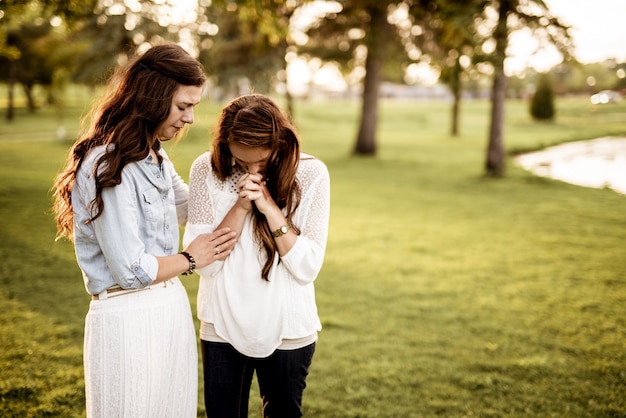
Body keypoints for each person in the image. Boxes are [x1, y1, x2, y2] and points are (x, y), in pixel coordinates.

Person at [51, 44, 237, 417]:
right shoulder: (107, 163)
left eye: (194, 107)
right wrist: (190, 259)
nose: (189, 119)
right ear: (153, 96)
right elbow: (131, 270)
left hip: (169, 309)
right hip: (126, 317)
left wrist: (246, 182)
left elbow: (187, 207)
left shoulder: (154, 153)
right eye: (183, 106)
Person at [183, 93, 331, 417]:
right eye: (241, 161)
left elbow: (307, 266)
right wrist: (240, 206)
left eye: (261, 162)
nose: (251, 170)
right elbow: (204, 265)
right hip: (220, 325)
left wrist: (269, 209)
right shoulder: (204, 170)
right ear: (226, 146)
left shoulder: (312, 173)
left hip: (289, 328)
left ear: (279, 142)